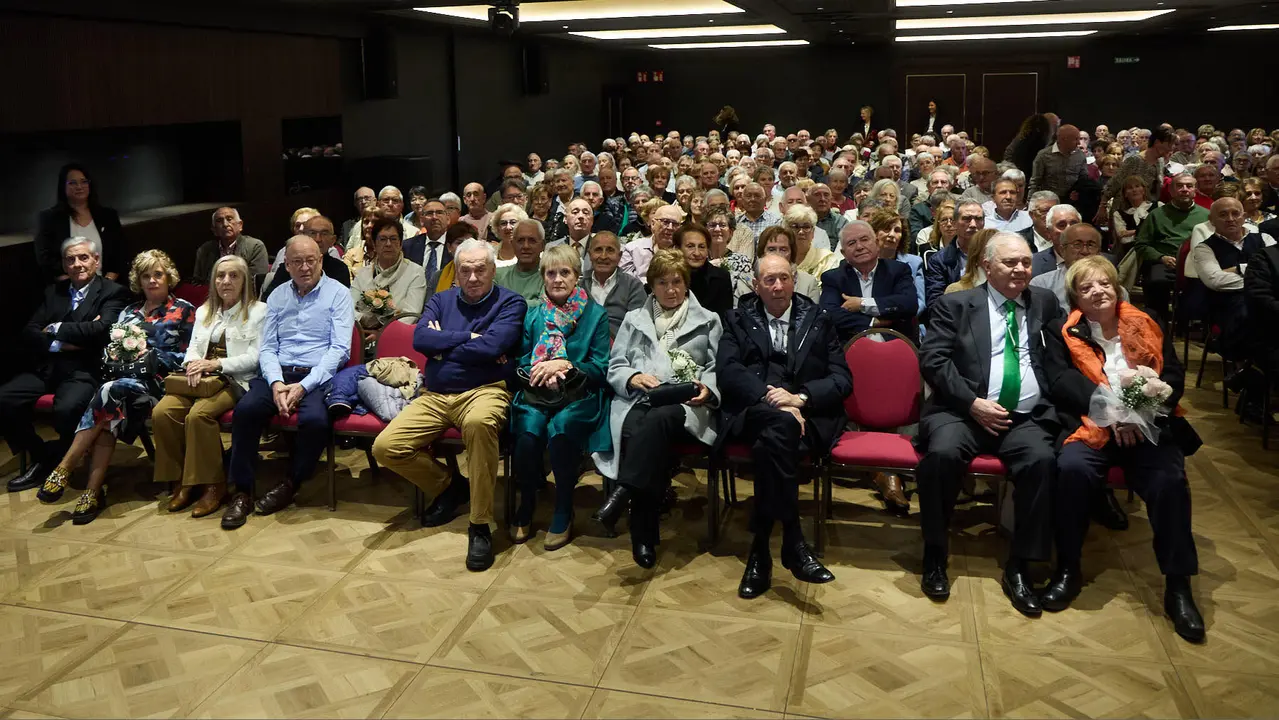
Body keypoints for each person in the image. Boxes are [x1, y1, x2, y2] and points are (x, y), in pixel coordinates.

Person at [1042, 256, 1204, 642]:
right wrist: (1112, 413)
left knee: (1169, 483)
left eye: (1104, 284)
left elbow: (1172, 375)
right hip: (1093, 426)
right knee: (1072, 470)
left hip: (1149, 427)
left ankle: (1178, 587)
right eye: (1086, 287)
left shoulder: (1147, 321)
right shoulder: (1062, 331)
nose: (1098, 291)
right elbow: (1061, 381)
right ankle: (1068, 568)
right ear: (1075, 298)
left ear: (1117, 288)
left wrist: (1140, 412)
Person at [916, 233, 1062, 615]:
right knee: (942, 456)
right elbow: (933, 360)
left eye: (1026, 262)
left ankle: (1021, 566)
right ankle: (935, 552)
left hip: (1023, 417)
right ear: (986, 266)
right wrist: (972, 403)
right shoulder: (955, 304)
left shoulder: (1045, 302)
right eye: (1010, 262)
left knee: (1042, 462)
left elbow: (1060, 356)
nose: (1020, 269)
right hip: (961, 411)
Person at [371, 239, 525, 570]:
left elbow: (493, 346)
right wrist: (469, 338)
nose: (473, 277)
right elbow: (421, 339)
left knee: (479, 424)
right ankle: (450, 486)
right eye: (465, 270)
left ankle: (480, 525)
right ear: (456, 272)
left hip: (485, 390)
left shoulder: (511, 302)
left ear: (493, 271)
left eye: (480, 270)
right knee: (386, 447)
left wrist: (443, 346)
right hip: (436, 394)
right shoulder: (441, 299)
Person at [718, 253, 846, 598]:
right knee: (780, 427)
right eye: (769, 280)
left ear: (794, 280)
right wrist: (771, 398)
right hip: (753, 410)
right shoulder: (737, 319)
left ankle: (761, 553)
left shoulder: (819, 319)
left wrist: (800, 398)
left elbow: (841, 378)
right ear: (756, 285)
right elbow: (728, 372)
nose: (778, 286)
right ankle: (793, 539)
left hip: (806, 419)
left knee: (770, 447)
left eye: (784, 278)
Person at [36, 250, 195, 523]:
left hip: (160, 382)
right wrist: (117, 355)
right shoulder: (128, 312)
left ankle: (65, 466)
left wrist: (150, 356)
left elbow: (189, 355)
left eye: (158, 274)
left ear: (169, 277)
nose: (152, 280)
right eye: (146, 276)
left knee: (108, 393)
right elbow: (110, 348)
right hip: (122, 382)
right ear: (138, 281)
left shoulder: (184, 309)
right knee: (110, 409)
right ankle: (92, 491)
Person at [592, 250, 722, 569]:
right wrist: (632, 377)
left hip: (685, 405)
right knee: (643, 429)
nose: (671, 289)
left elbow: (717, 367)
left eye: (677, 281)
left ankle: (630, 507)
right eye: (662, 282)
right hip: (640, 399)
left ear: (686, 284)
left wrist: (708, 389)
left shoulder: (709, 320)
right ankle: (639, 522)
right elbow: (616, 364)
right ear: (651, 285)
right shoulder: (634, 318)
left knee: (659, 421)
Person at [222, 235, 354, 530]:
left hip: (317, 375)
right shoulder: (278, 295)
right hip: (278, 374)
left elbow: (339, 350)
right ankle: (242, 492)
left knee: (317, 421)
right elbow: (268, 348)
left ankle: (291, 482)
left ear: (321, 261)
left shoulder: (338, 294)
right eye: (297, 262)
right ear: (287, 265)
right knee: (246, 411)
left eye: (310, 260)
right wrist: (276, 383)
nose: (305, 267)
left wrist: (304, 386)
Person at [3, 238, 130, 493]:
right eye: (70, 259)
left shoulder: (113, 292)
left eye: (83, 257)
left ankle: (64, 459)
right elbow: (29, 331)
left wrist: (55, 328)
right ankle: (43, 455)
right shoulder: (54, 291)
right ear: (64, 265)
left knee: (68, 409)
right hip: (47, 368)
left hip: (84, 370)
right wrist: (65, 342)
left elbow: (101, 330)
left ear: (96, 260)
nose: (77, 264)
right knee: (3, 400)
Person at [509, 245, 611, 549]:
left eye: (564, 272)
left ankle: (564, 508)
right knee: (528, 432)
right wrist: (538, 369)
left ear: (577, 276)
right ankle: (527, 502)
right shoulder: (533, 314)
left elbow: (601, 367)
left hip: (579, 394)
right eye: (551, 273)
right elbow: (521, 360)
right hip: (537, 392)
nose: (557, 279)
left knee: (562, 429)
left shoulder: (596, 315)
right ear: (543, 277)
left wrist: (565, 365)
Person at [152, 255, 266, 518]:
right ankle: (183, 480)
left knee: (199, 415)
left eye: (233, 276)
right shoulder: (204, 311)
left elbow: (256, 357)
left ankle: (214, 484)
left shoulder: (259, 311)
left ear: (245, 281)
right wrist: (193, 364)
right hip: (200, 378)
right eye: (220, 276)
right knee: (162, 412)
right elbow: (192, 348)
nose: (226, 281)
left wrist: (216, 364)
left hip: (236, 379)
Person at [1193, 197, 1273, 361]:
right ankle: (1252, 366)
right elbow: (1216, 281)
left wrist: (1238, 269)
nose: (1230, 219)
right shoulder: (1204, 248)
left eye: (1235, 214)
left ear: (1244, 216)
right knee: (1251, 316)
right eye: (1223, 215)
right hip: (1228, 305)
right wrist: (1262, 278)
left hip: (1267, 297)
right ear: (1211, 220)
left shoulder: (1265, 239)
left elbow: (1276, 268)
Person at [820, 219, 918, 347]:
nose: (859, 247)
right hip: (851, 348)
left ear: (877, 243)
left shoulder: (898, 270)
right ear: (844, 253)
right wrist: (872, 322)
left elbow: (909, 303)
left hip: (896, 345)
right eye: (851, 243)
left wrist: (862, 304)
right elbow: (829, 314)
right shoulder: (833, 278)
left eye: (864, 239)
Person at [1132, 173, 1210, 321]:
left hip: (1196, 265)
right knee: (1156, 282)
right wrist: (1161, 257)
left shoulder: (1206, 215)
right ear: (1171, 191)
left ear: (1195, 191)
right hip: (1165, 263)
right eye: (1179, 186)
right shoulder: (1156, 215)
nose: (1185, 189)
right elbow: (1141, 244)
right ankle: (1158, 325)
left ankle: (1189, 323)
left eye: (1189, 186)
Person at [34, 164, 126, 282]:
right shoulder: (50, 218)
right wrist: (74, 285)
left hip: (106, 284)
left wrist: (106, 284)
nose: (79, 187)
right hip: (67, 285)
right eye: (72, 183)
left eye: (84, 182)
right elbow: (45, 258)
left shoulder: (108, 215)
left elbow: (120, 254)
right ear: (63, 187)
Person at [351, 215, 427, 345]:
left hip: (399, 338)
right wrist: (365, 323)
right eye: (382, 239)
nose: (388, 244)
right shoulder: (363, 273)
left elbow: (411, 315)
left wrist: (382, 334)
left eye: (393, 239)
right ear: (374, 244)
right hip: (364, 334)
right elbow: (349, 307)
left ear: (401, 244)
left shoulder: (415, 272)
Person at [262, 215, 351, 298]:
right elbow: (269, 298)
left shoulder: (340, 269)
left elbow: (341, 301)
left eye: (324, 234)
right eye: (312, 233)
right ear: (303, 236)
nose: (318, 239)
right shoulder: (290, 266)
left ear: (333, 240)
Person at [580, 231, 647, 340]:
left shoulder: (633, 286)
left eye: (610, 250)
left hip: (620, 346)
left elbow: (638, 328)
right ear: (590, 255)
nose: (603, 256)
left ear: (619, 256)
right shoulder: (579, 285)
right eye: (598, 250)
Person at [925, 201, 986, 311]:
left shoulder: (994, 255)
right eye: (966, 219)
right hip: (955, 317)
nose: (973, 224)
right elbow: (935, 303)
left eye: (978, 219)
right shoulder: (939, 260)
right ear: (955, 223)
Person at [194, 208, 270, 283]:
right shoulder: (204, 250)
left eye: (229, 219)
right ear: (214, 230)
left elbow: (256, 282)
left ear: (240, 225)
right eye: (219, 221)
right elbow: (197, 282)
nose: (225, 224)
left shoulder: (255, 247)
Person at [676, 224, 734, 315]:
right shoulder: (670, 277)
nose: (697, 253)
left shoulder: (721, 278)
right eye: (690, 246)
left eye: (702, 247)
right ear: (678, 249)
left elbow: (725, 317)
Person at [621, 203, 682, 280]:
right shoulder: (632, 249)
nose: (670, 227)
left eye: (675, 224)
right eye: (665, 222)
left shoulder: (683, 252)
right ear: (653, 224)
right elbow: (625, 282)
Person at [1028, 124, 1090, 200]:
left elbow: (1084, 178)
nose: (1079, 143)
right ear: (1064, 139)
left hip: (1072, 200)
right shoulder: (1044, 155)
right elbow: (1035, 182)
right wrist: (1030, 202)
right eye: (1076, 139)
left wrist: (1078, 191)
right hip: (1049, 200)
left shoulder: (1080, 155)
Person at [704, 208, 755, 300]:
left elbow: (748, 293)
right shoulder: (699, 259)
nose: (717, 229)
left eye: (722, 225)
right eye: (712, 225)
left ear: (731, 232)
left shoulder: (742, 261)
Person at [758, 226, 820, 300]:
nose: (777, 254)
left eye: (783, 250)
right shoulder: (750, 281)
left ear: (792, 253)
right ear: (762, 253)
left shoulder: (809, 283)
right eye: (771, 250)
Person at [401, 198, 450, 289]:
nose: (434, 217)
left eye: (439, 213)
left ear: (448, 219)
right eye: (429, 213)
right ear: (421, 220)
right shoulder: (407, 246)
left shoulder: (456, 246)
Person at [495, 219, 547, 303]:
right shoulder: (498, 276)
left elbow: (545, 307)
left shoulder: (551, 277)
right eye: (520, 241)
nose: (526, 246)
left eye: (532, 240)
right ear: (512, 244)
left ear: (542, 245)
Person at [1033, 204, 1082, 277]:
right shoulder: (1034, 264)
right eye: (1062, 225)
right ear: (1049, 232)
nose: (1069, 229)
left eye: (1074, 224)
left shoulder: (1098, 260)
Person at [488, 203, 525, 267]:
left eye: (513, 222)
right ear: (497, 228)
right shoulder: (490, 253)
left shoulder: (530, 252)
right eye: (503, 223)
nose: (508, 227)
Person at [341, 186, 377, 251]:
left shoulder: (383, 221)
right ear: (355, 203)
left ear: (375, 201)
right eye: (360, 199)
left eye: (367, 198)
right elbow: (341, 246)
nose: (363, 202)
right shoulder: (347, 225)